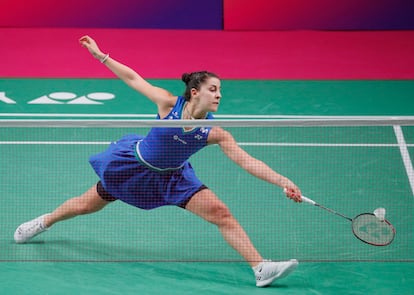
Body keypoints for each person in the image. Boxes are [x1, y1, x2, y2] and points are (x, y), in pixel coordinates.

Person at [14, 35, 303, 288]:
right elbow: (133, 79)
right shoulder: (168, 105)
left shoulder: (215, 133)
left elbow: (247, 162)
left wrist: (283, 181)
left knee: (220, 212)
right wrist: (101, 56)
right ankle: (44, 222)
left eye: (220, 90)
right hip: (133, 169)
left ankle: (260, 267)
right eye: (213, 89)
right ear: (195, 92)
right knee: (84, 205)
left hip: (175, 178)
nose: (219, 95)